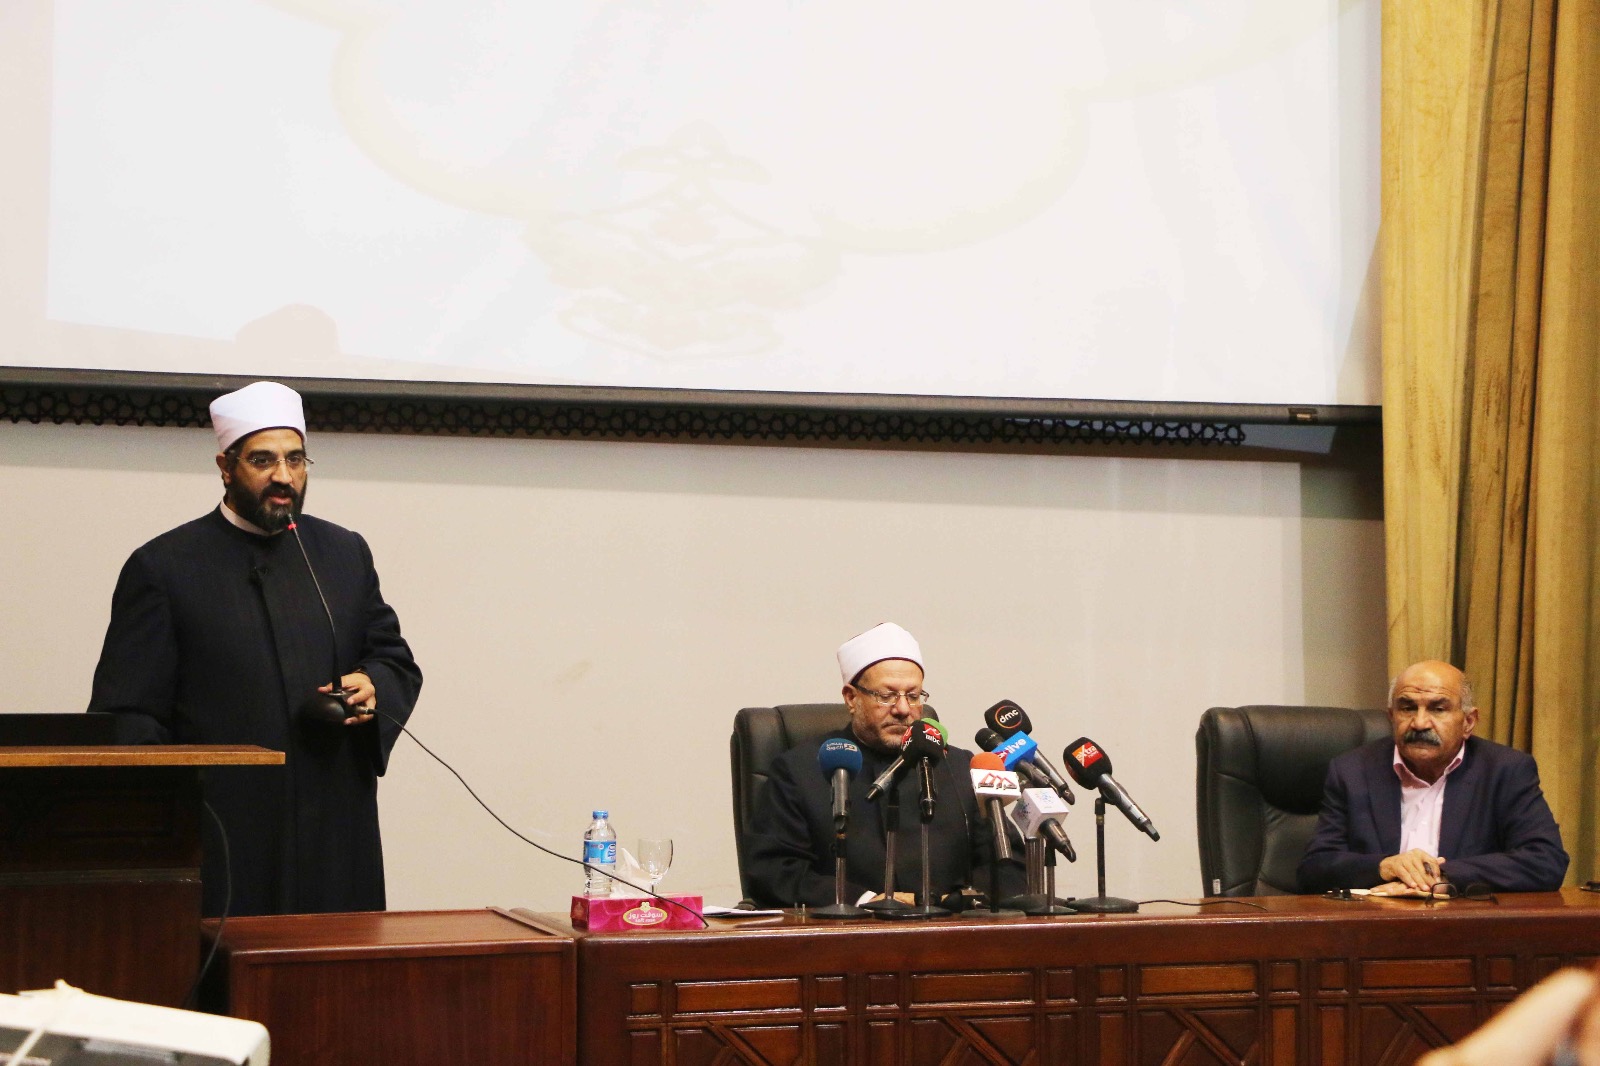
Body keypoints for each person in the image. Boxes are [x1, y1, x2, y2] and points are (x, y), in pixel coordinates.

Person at [87, 381, 422, 917]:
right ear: (226, 466)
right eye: (263, 460)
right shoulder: (164, 566)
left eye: (296, 459)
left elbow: (393, 658)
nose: (283, 476)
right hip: (225, 834)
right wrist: (169, 819)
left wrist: (374, 683)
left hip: (334, 826)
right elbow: (128, 713)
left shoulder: (343, 552)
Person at [743, 622, 1026, 908]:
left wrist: (951, 903)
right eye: (886, 695)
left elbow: (1010, 865)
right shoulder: (800, 770)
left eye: (913, 696)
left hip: (948, 928)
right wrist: (867, 901)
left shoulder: (960, 767)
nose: (903, 709)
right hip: (848, 930)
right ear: (851, 698)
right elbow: (772, 871)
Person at [1298, 659, 1568, 894]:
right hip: (1375, 921)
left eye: (1438, 709)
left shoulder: (1505, 770)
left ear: (1468, 722)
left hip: (1466, 924)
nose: (1419, 723)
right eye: (1407, 708)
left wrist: (1440, 876)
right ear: (1391, 717)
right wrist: (1384, 866)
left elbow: (1545, 861)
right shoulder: (1352, 771)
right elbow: (1314, 868)